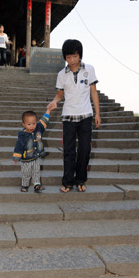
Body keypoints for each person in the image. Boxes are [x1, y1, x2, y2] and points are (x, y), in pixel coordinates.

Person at [47, 39, 101, 193]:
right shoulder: (61, 74)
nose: (72, 60)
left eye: (75, 57)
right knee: (69, 150)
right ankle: (68, 181)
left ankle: (81, 180)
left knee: (84, 150)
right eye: (68, 57)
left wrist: (97, 113)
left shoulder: (89, 69)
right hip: (68, 116)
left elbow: (93, 92)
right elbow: (59, 95)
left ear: (80, 55)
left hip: (86, 116)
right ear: (65, 57)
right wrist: (54, 102)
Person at [13, 108, 51, 193]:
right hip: (26, 159)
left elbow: (44, 121)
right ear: (24, 124)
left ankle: (37, 184)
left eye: (34, 123)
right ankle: (25, 185)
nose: (32, 126)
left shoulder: (38, 128)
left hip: (36, 156)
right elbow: (18, 146)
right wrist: (16, 157)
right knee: (26, 173)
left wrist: (48, 111)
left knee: (36, 171)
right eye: (29, 124)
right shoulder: (22, 135)